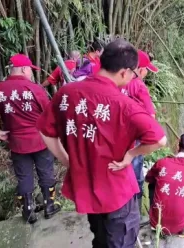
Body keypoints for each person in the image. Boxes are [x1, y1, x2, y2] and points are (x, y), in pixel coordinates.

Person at [37, 39, 167, 248]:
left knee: (100, 239)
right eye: (134, 73)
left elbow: (45, 131)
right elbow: (160, 139)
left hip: (86, 187)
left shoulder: (67, 93)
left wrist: (68, 160)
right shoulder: (125, 105)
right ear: (125, 72)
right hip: (117, 190)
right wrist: (131, 155)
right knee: (121, 241)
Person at [0, 54, 61, 224]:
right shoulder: (34, 89)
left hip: (16, 143)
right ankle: (49, 205)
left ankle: (28, 211)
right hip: (40, 140)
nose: (31, 73)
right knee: (46, 172)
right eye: (30, 69)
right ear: (23, 69)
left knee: (24, 177)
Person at [119, 50, 158, 226]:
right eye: (146, 70)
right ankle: (134, 215)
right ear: (140, 70)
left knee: (122, 173)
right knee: (136, 176)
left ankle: (124, 210)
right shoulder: (138, 86)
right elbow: (150, 117)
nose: (147, 73)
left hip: (117, 136)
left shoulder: (116, 81)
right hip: (135, 138)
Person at [146, 133, 184, 236]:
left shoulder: (162, 162)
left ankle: (155, 214)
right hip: (180, 225)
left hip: (157, 222)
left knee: (153, 181)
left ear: (178, 146)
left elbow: (148, 178)